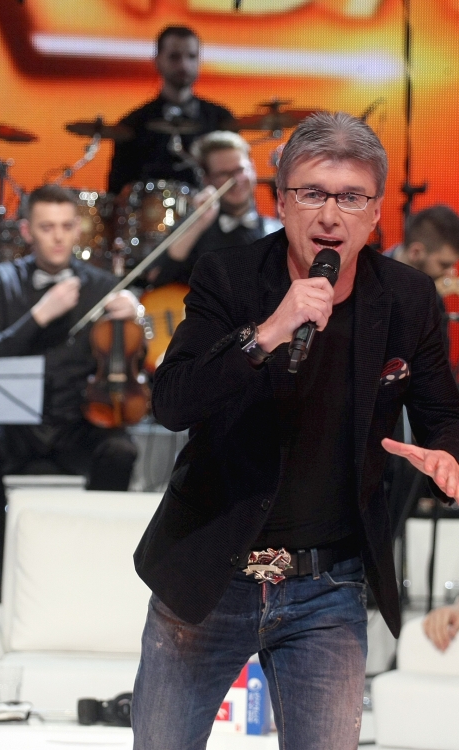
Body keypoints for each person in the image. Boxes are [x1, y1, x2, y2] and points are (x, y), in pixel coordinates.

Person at [132, 112, 459, 750]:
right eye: (312, 193)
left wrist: (447, 455)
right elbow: (172, 402)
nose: (330, 215)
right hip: (212, 573)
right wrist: (266, 333)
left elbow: (444, 414)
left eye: (351, 197)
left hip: (326, 587)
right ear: (281, 201)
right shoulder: (228, 277)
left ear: (376, 212)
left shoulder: (410, 298)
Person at [0, 184, 140, 603]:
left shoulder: (102, 285)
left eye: (65, 226)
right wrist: (38, 316)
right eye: (46, 227)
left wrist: (136, 317)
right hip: (15, 426)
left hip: (76, 422)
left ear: (77, 228)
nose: (58, 237)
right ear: (27, 231)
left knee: (120, 449)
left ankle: (92, 565)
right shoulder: (1, 282)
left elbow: (131, 358)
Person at [107, 26, 233, 194]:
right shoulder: (133, 124)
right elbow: (117, 190)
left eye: (191, 56)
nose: (184, 65)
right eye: (174, 57)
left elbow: (234, 180)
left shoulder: (221, 119)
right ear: (157, 61)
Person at [147, 130, 282, 287]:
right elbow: (155, 276)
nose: (235, 180)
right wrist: (198, 225)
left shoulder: (276, 230)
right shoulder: (196, 227)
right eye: (223, 174)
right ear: (207, 180)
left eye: (240, 170)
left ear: (253, 168)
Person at [384, 204, 459, 355]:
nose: (450, 272)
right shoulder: (365, 284)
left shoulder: (433, 297)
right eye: (444, 264)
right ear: (415, 252)